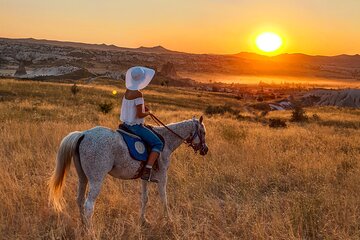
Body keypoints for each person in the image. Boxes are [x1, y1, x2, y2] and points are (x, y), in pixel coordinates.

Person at [120, 66, 164, 182]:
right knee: (158, 143)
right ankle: (147, 170)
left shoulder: (127, 90)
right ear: (141, 79)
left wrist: (143, 108)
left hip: (125, 124)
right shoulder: (139, 94)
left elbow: (131, 107)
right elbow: (140, 115)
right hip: (135, 127)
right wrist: (148, 112)